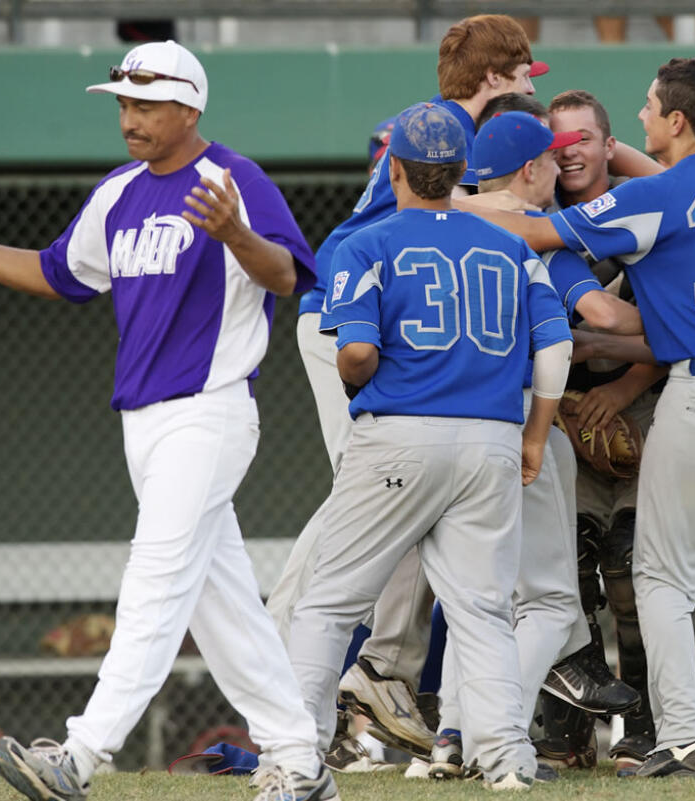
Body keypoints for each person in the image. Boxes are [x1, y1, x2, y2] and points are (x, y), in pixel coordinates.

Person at [0, 40, 331, 801]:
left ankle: (82, 753)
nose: (129, 117)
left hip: (209, 411)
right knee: (218, 599)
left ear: (190, 107)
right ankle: (299, 757)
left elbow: (286, 275)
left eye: (147, 103)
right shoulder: (120, 190)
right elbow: (57, 273)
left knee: (156, 576)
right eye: (124, 102)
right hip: (144, 424)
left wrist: (235, 233)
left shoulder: (233, 180)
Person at [458, 56, 695, 777]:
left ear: (675, 120)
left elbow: (543, 235)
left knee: (663, 575)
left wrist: (447, 202)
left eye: (648, 106)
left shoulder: (662, 193)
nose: (639, 115)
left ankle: (684, 735)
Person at [265, 13, 552, 764]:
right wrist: (512, 211)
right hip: (345, 324)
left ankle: (380, 664)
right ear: (495, 77)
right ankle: (298, 656)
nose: (529, 86)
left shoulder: (445, 126)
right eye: (523, 72)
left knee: (391, 491)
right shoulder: (442, 127)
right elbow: (433, 209)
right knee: (361, 497)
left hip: (374, 317)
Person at [424, 108, 644, 781]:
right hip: (520, 421)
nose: (560, 165)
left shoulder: (441, 225)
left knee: (478, 600)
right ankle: (499, 740)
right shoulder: (542, 242)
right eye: (550, 157)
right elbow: (593, 319)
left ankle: (451, 740)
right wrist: (677, 321)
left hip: (440, 419)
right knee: (549, 604)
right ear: (529, 169)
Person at [532, 88, 666, 777]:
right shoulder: (536, 219)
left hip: (642, 397)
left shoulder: (647, 207)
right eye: (556, 142)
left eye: (584, 137)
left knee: (632, 570)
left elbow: (683, 332)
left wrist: (618, 389)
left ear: (609, 146)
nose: (570, 150)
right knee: (572, 566)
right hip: (563, 410)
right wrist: (570, 412)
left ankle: (643, 719)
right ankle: (570, 725)